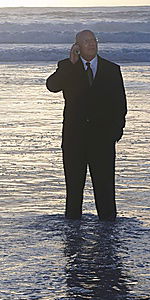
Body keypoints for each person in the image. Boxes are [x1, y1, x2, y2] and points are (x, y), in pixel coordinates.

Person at [46, 30, 127, 220]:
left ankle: (108, 238)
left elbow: (120, 104)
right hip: (74, 141)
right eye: (86, 41)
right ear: (77, 47)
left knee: (105, 193)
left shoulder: (111, 69)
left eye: (93, 40)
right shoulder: (67, 67)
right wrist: (71, 64)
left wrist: (115, 133)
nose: (91, 44)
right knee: (74, 193)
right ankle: (72, 238)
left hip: (103, 141)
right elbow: (52, 86)